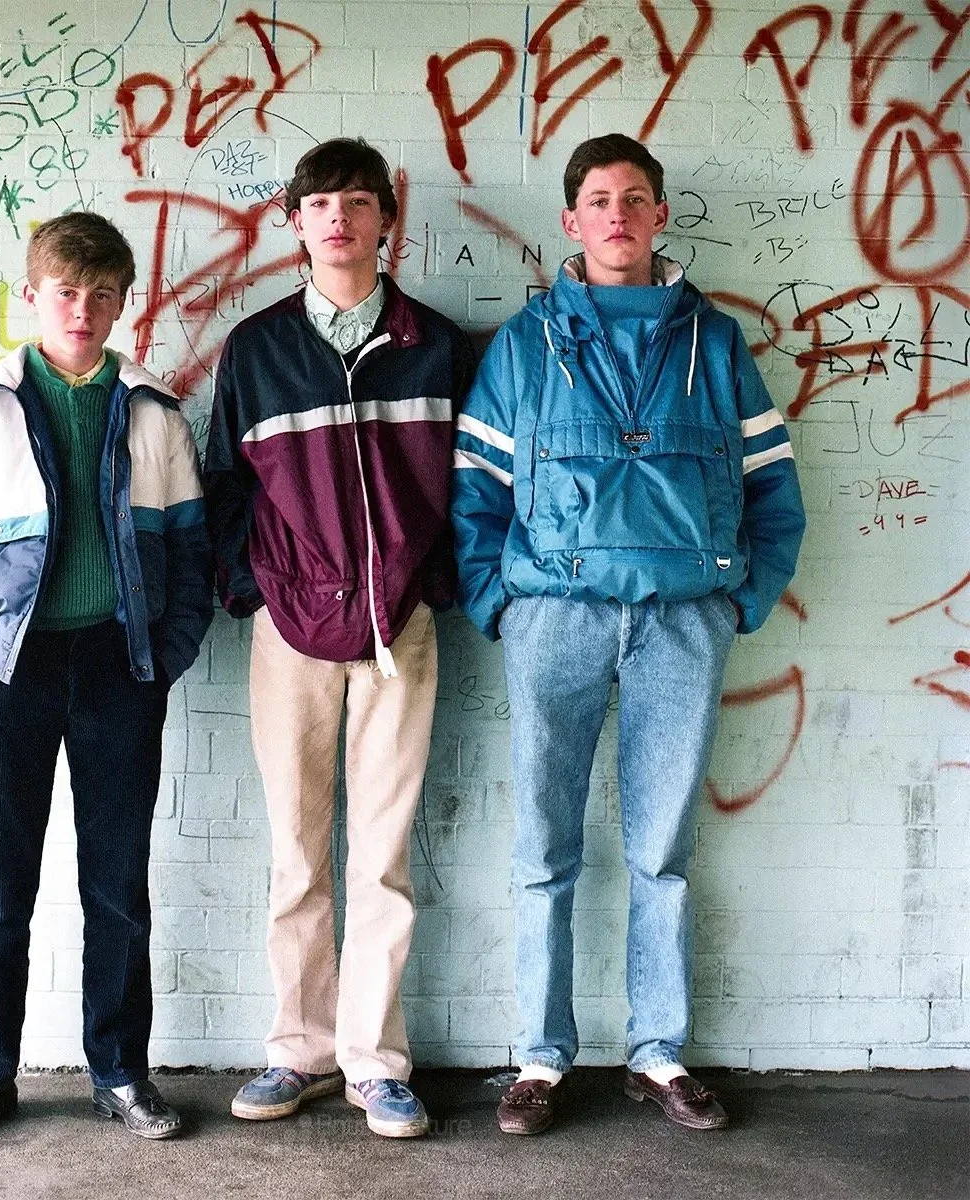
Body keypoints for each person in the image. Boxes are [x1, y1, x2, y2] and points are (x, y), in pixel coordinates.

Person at [451, 133, 805, 1134]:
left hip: (684, 619)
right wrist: (499, 601)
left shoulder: (716, 343)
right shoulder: (526, 344)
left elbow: (775, 488)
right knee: (543, 846)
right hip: (553, 617)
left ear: (658, 218)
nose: (617, 214)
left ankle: (658, 1053)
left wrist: (741, 596)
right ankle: (541, 1057)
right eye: (599, 199)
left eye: (635, 198)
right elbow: (476, 489)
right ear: (572, 222)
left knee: (663, 850)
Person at [0, 212, 213, 1143]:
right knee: (0, 886)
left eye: (103, 295)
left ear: (123, 304)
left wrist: (172, 648)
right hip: (13, 672)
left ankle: (119, 1072)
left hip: (121, 667)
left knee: (118, 886)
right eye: (66, 292)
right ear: (31, 296)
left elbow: (191, 547)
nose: (84, 310)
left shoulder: (153, 413)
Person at [204, 138, 474, 1138]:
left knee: (385, 858)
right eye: (321, 203)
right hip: (292, 633)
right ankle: (299, 1052)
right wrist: (256, 592)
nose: (339, 219)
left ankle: (374, 1062)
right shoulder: (259, 349)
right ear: (295, 221)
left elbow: (468, 490)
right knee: (297, 855)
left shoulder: (435, 344)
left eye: (359, 202)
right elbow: (226, 489)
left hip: (398, 627)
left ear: (384, 220)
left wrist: (428, 587)